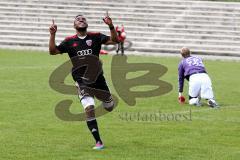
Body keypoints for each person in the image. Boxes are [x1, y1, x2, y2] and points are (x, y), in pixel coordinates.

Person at [49, 14, 118, 150]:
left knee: (109, 107)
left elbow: (115, 41)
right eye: (78, 19)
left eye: (83, 19)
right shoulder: (69, 41)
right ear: (74, 25)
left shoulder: (96, 36)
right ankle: (98, 141)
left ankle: (104, 97)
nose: (81, 20)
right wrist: (52, 34)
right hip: (81, 81)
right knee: (89, 108)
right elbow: (53, 51)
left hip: (98, 79)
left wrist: (110, 25)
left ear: (87, 24)